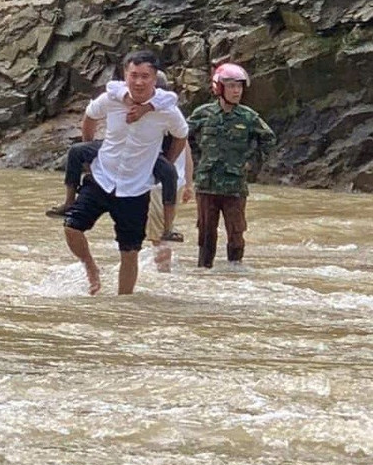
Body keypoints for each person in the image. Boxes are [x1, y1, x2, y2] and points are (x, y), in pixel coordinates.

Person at [63, 51, 188, 295]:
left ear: (154, 78)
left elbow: (181, 135)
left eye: (145, 77)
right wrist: (89, 153)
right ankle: (90, 267)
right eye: (134, 76)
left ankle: (123, 303)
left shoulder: (167, 110)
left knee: (129, 251)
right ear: (125, 76)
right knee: (71, 227)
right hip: (102, 176)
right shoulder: (112, 98)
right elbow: (89, 118)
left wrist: (165, 162)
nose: (139, 82)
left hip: (136, 187)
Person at [47, 73, 186, 242]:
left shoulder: (166, 106)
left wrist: (169, 163)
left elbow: (183, 140)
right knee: (77, 151)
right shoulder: (121, 93)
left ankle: (168, 227)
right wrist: (91, 157)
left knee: (169, 172)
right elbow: (111, 88)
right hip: (115, 150)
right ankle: (69, 201)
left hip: (148, 156)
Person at [186, 63, 276, 268]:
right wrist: (196, 159)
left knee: (236, 233)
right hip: (206, 184)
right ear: (219, 88)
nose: (237, 91)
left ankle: (235, 271)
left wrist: (251, 164)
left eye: (239, 87)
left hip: (234, 186)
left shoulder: (248, 117)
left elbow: (268, 140)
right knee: (206, 234)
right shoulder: (203, 114)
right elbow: (182, 136)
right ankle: (204, 272)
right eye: (232, 86)